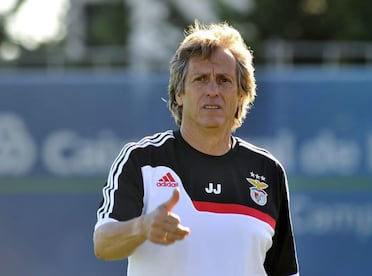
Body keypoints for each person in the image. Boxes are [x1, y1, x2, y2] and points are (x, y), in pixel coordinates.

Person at [93, 21, 299, 276]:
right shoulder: (143, 160)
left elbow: (285, 271)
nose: (212, 90)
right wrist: (142, 227)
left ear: (241, 95)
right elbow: (103, 244)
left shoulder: (268, 171)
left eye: (223, 80)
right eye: (200, 79)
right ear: (180, 93)